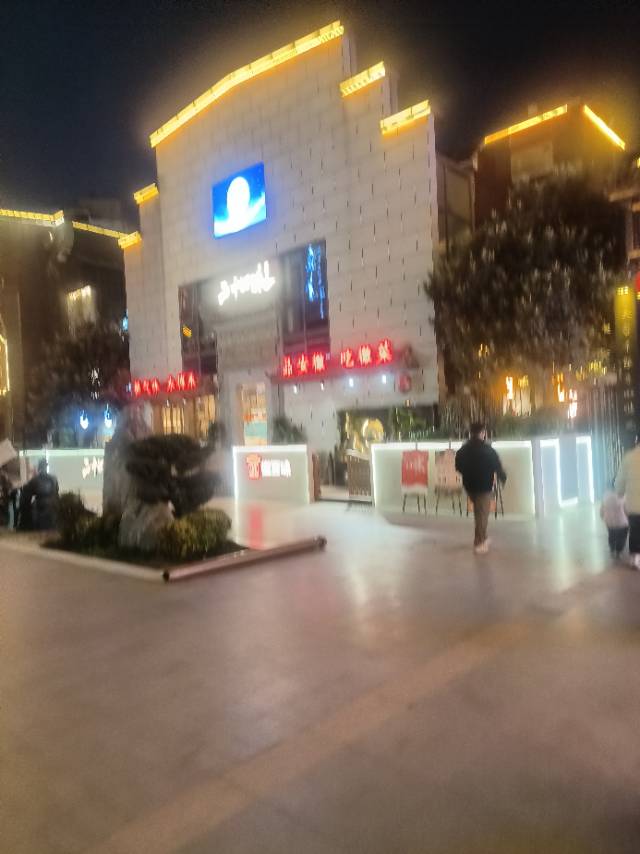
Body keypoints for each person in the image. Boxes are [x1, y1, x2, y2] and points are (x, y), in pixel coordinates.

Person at [455, 422, 507, 554]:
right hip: (484, 486)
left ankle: (483, 537)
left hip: (469, 485)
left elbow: (458, 467)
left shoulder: (463, 450)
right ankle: (479, 542)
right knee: (482, 515)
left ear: (470, 433)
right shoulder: (488, 449)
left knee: (479, 513)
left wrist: (468, 474)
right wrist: (502, 478)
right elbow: (497, 465)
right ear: (483, 433)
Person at [615, 441, 640, 569]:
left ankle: (635, 559)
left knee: (635, 531)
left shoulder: (628, 457)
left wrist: (619, 493)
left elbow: (620, 481)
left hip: (634, 505)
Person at [18, 459, 60, 531]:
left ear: (39, 467)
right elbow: (56, 491)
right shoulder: (54, 478)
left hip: (41, 505)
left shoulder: (35, 479)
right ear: (46, 467)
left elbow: (26, 496)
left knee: (29, 509)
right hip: (53, 504)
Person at [600, 482, 628, 558]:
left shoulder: (606, 495)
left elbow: (602, 508)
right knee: (622, 536)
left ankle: (612, 549)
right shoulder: (623, 496)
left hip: (609, 521)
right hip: (621, 522)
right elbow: (626, 510)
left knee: (611, 535)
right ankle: (619, 551)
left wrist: (602, 516)